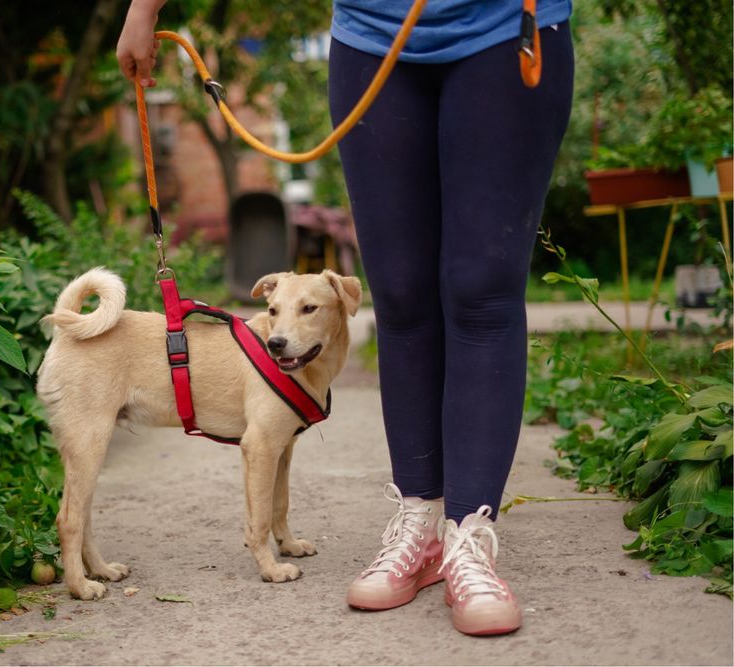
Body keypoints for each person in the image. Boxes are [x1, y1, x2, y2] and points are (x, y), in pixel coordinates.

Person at [117, 0, 574, 637]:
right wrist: (145, 8)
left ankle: (470, 535)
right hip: (372, 36)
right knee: (403, 295)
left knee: (480, 290)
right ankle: (419, 518)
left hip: (505, 29)